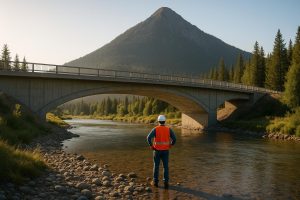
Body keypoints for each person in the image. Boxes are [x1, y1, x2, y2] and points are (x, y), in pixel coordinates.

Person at [147, 114, 176, 189]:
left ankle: (155, 182)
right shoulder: (168, 129)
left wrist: (151, 146)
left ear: (158, 121)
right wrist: (171, 145)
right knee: (166, 167)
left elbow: (148, 138)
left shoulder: (155, 129)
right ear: (165, 121)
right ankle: (166, 182)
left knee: (156, 166)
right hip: (166, 151)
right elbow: (174, 139)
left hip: (156, 150)